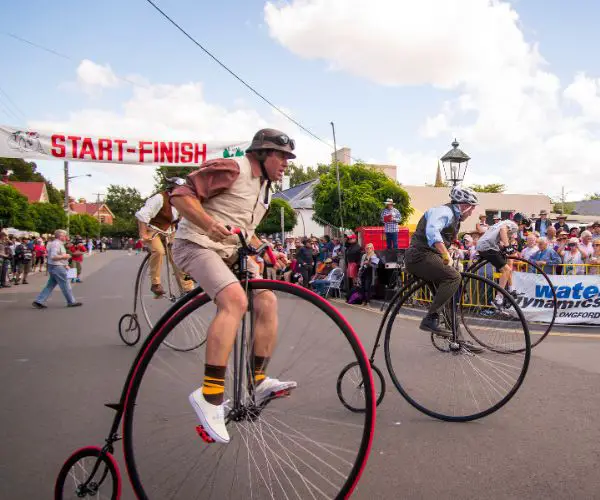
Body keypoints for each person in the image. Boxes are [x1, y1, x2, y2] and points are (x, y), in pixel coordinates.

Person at [169, 128, 297, 444]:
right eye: (281, 156)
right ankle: (210, 395)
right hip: (195, 244)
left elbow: (243, 228)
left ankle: (258, 379)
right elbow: (180, 195)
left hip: (230, 252)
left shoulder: (265, 189)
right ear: (263, 153)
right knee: (235, 301)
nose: (285, 164)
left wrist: (264, 247)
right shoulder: (233, 168)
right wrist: (209, 224)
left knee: (267, 300)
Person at [404, 186, 478, 334]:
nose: (471, 213)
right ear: (464, 205)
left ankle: (457, 339)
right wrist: (445, 254)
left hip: (428, 256)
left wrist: (449, 248)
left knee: (447, 298)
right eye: (471, 209)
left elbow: (442, 236)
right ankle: (430, 319)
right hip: (419, 255)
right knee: (453, 277)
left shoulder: (454, 217)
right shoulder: (444, 211)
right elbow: (432, 230)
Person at [135, 178, 193, 296]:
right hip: (153, 230)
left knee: (179, 256)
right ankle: (155, 284)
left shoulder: (181, 201)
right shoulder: (159, 198)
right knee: (159, 251)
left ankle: (187, 288)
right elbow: (143, 215)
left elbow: (182, 219)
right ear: (172, 188)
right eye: (180, 189)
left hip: (169, 232)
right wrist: (143, 234)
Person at [476, 212, 531, 309]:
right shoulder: (514, 225)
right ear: (521, 222)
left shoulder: (502, 222)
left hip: (484, 245)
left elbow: (495, 234)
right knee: (506, 270)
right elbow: (502, 230)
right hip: (488, 247)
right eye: (524, 226)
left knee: (507, 268)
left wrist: (503, 247)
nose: (523, 228)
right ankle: (498, 298)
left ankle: (511, 289)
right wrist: (507, 246)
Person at [32, 229, 82, 309]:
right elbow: (53, 256)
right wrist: (65, 256)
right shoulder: (56, 244)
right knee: (65, 284)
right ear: (60, 236)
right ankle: (71, 301)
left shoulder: (58, 244)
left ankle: (39, 301)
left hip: (56, 266)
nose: (66, 237)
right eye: (65, 235)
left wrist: (65, 264)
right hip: (57, 267)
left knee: (50, 285)